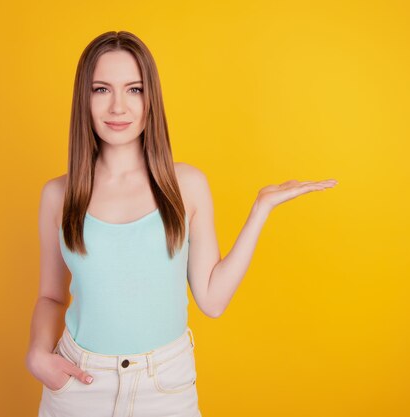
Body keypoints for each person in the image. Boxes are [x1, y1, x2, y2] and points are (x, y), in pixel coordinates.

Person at [25, 30, 338, 417]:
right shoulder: (58, 195)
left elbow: (212, 299)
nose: (118, 107)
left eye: (134, 89)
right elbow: (52, 297)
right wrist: (38, 354)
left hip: (165, 387)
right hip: (79, 385)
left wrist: (261, 209)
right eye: (102, 90)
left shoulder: (186, 185)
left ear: (150, 98)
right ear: (84, 100)